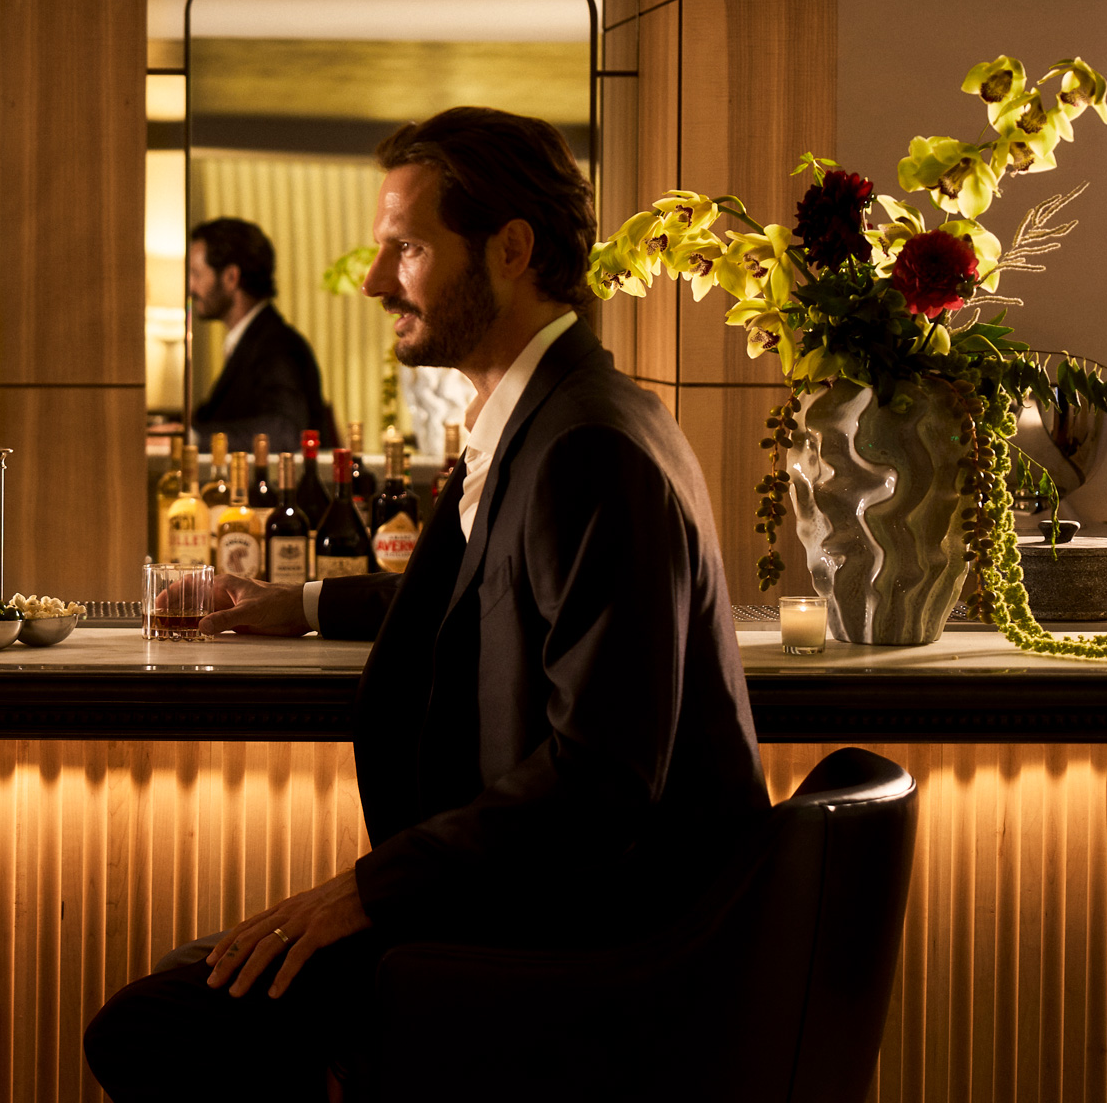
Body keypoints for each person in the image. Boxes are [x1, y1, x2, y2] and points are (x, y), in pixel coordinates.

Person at [85, 108, 770, 1099]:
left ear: (511, 249)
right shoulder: (552, 415)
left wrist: (366, 892)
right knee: (195, 995)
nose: (372, 283)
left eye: (403, 248)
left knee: (158, 1028)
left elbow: (602, 779)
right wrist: (306, 604)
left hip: (596, 953)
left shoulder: (586, 448)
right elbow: (484, 590)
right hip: (545, 914)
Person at [186, 217, 335, 452]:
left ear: (231, 277)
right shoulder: (255, 340)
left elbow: (285, 432)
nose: (189, 287)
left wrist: (192, 439)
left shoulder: (277, 345)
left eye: (195, 273)